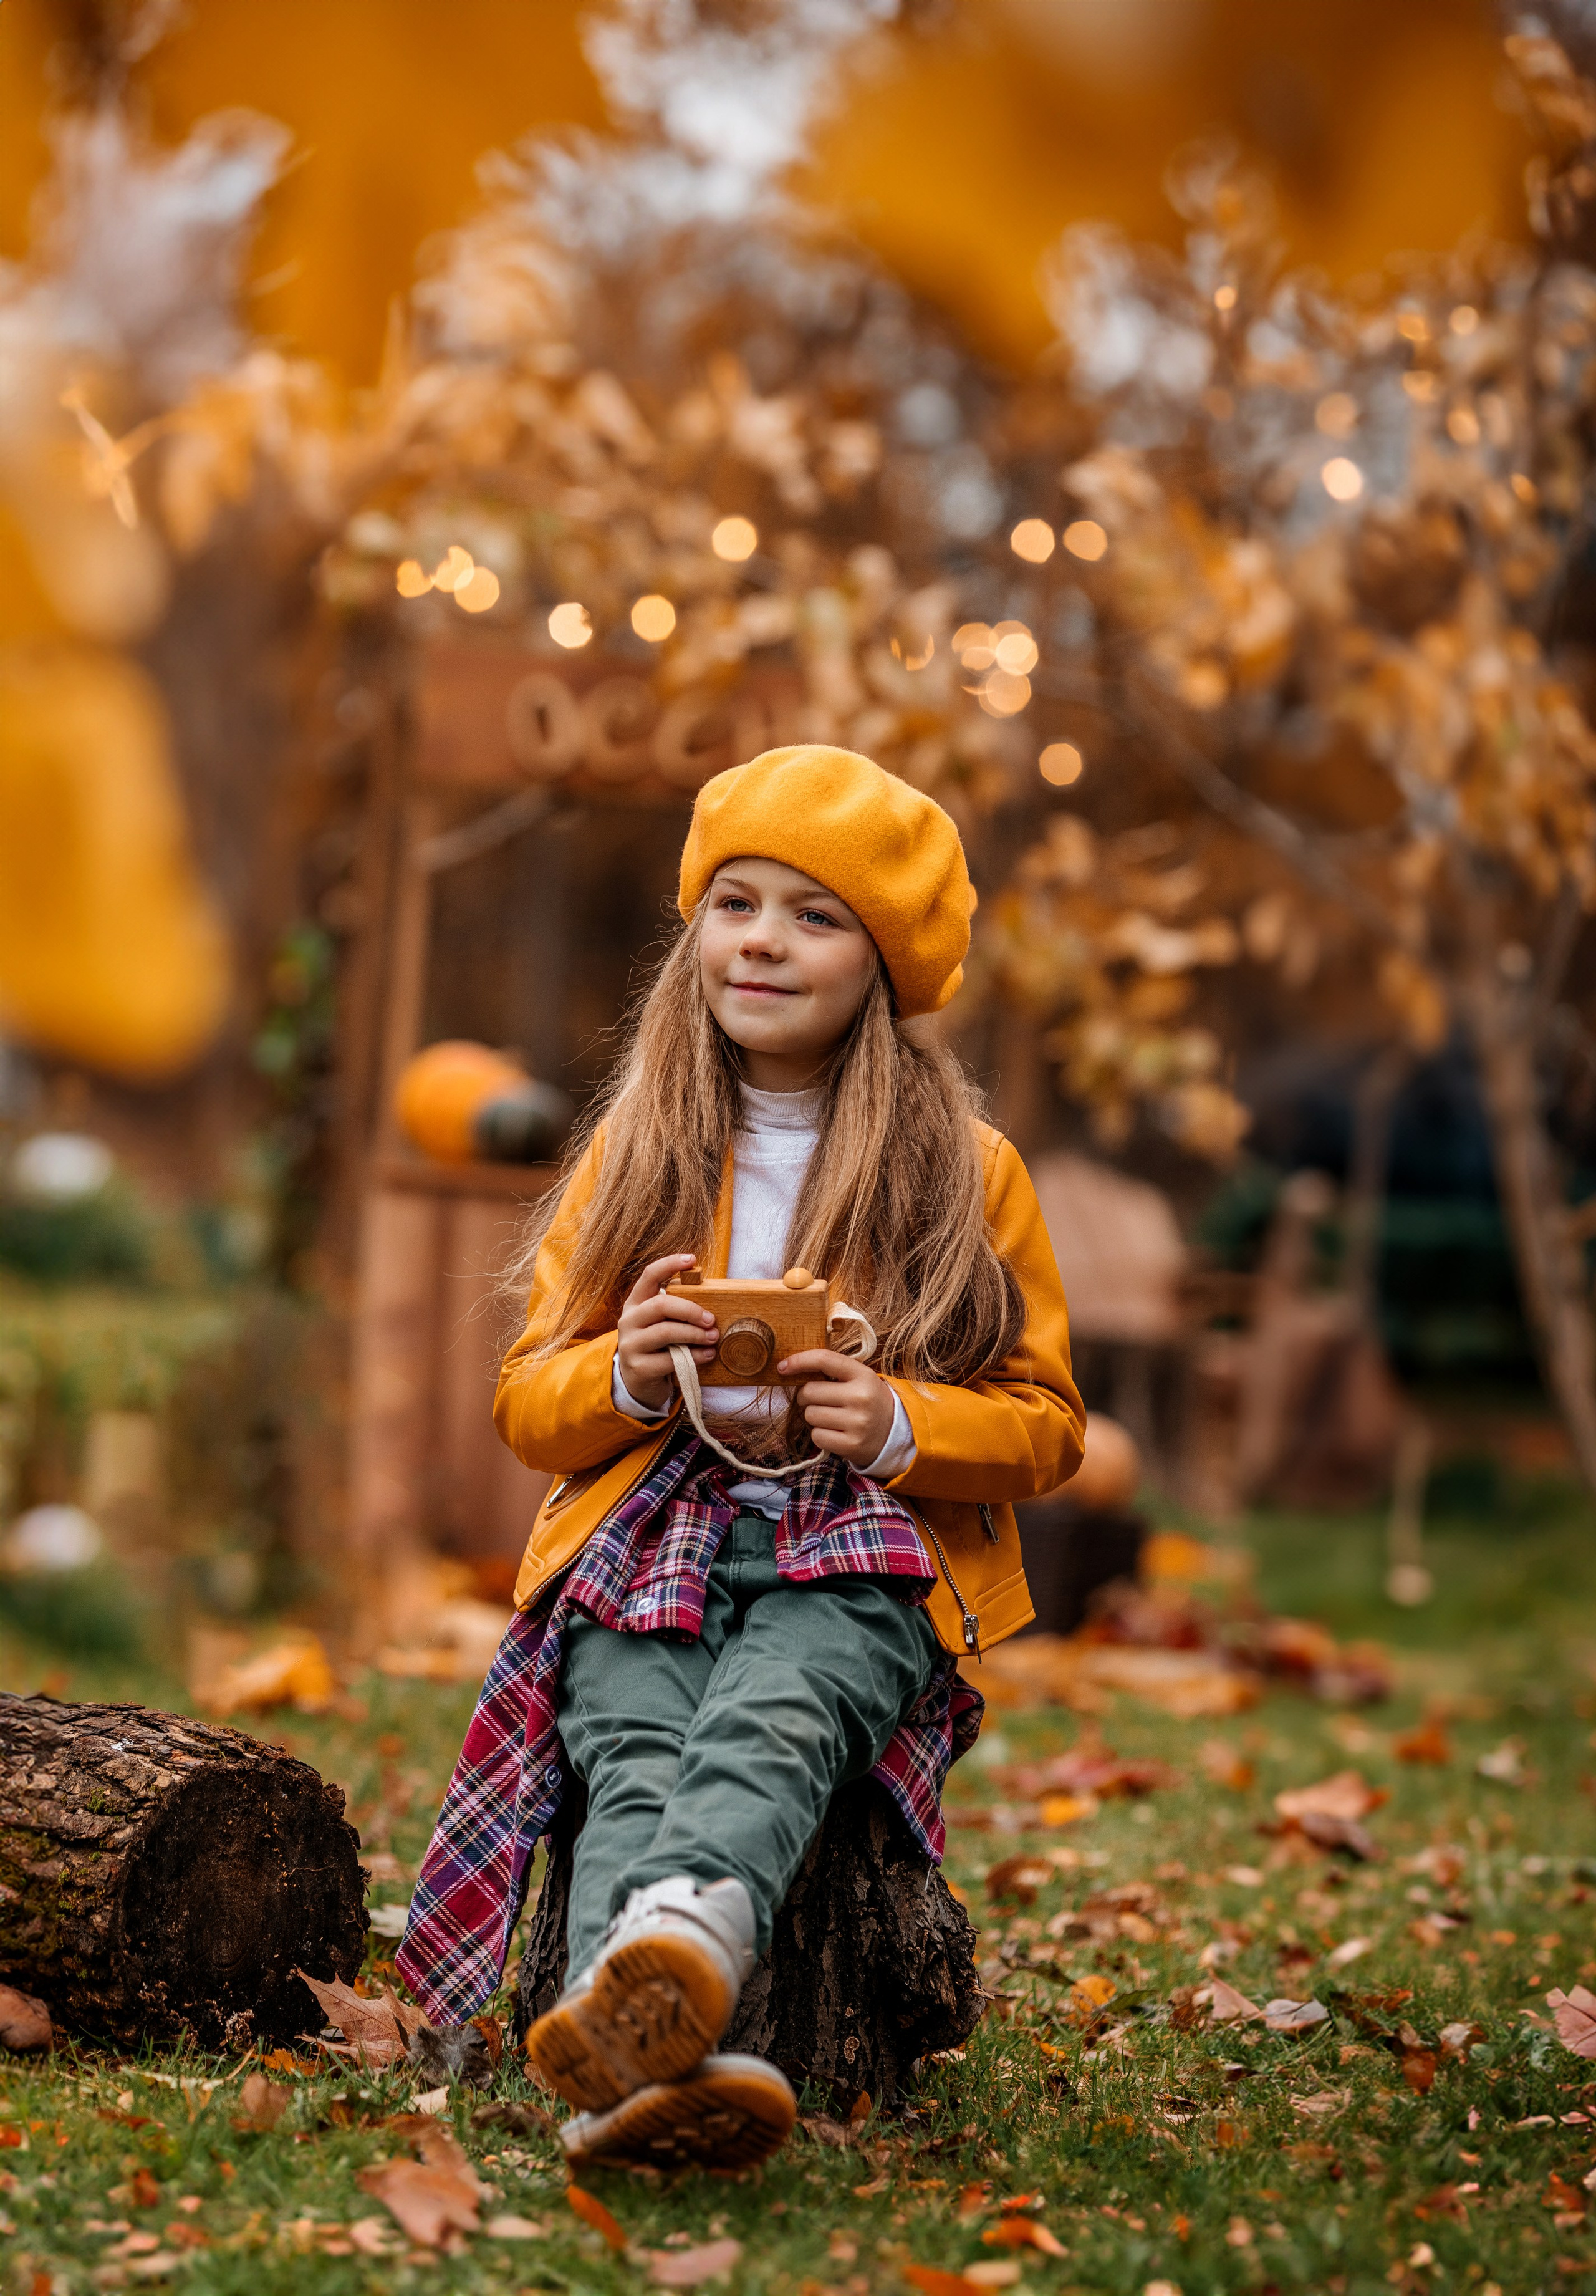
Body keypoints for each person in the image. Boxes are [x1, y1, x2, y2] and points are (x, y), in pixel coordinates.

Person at [398, 744, 1084, 2169]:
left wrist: (896, 1419)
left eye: (813, 914)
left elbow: (1045, 1421)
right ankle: (631, 2056)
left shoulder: (965, 1168)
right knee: (629, 1733)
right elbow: (528, 1401)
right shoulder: (635, 1147)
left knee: (780, 1706)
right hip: (652, 1520)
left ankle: (676, 1950)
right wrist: (630, 1371)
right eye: (735, 902)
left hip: (852, 1531)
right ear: (693, 930)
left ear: (883, 964)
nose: (762, 938)